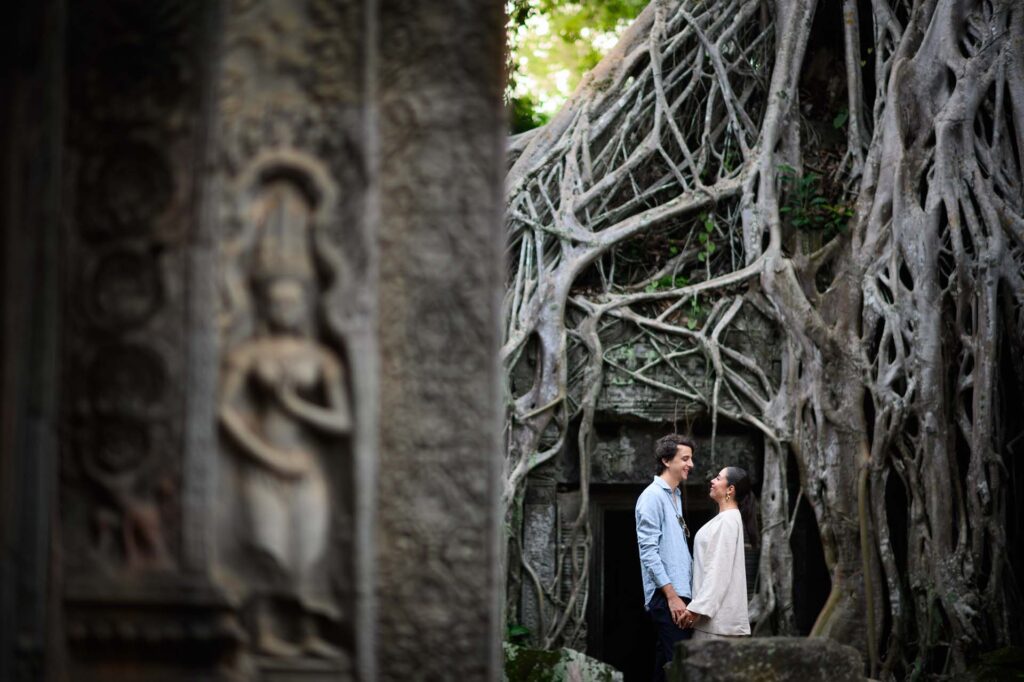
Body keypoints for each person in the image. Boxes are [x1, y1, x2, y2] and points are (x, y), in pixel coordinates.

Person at [635, 434, 696, 681]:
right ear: (666, 460)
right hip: (666, 596)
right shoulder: (652, 496)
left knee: (665, 669)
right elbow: (648, 552)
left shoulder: (675, 496)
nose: (691, 464)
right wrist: (672, 597)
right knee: (681, 669)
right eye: (685, 459)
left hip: (679, 595)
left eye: (691, 459)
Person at [677, 466, 756, 640]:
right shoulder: (726, 519)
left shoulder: (727, 521)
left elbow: (718, 570)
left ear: (730, 489)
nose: (712, 481)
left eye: (718, 478)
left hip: (717, 624)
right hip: (714, 621)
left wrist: (696, 608)